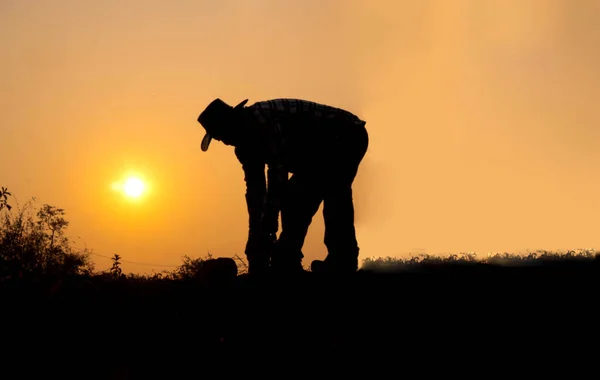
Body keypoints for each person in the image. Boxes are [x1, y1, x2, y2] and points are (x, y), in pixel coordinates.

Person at [197, 98, 369, 276]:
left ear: (230, 124)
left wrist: (269, 223)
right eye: (218, 139)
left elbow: (277, 174)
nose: (224, 142)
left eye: (221, 135)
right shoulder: (244, 147)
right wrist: (256, 234)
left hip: (345, 137)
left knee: (334, 194)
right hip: (315, 153)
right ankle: (288, 261)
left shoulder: (262, 122)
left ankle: (341, 263)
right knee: (294, 200)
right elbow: (256, 193)